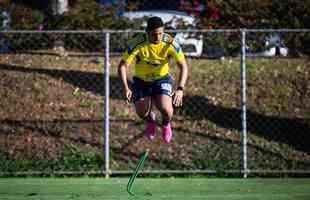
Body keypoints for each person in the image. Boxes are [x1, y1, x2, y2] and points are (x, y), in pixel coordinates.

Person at [118, 16, 188, 144]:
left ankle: (166, 124)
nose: (157, 37)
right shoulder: (137, 43)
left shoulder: (170, 43)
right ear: (147, 33)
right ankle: (150, 120)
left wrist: (180, 89)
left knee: (166, 108)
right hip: (141, 81)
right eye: (154, 34)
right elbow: (122, 66)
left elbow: (183, 66)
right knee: (141, 112)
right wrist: (125, 87)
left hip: (161, 79)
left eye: (160, 33)